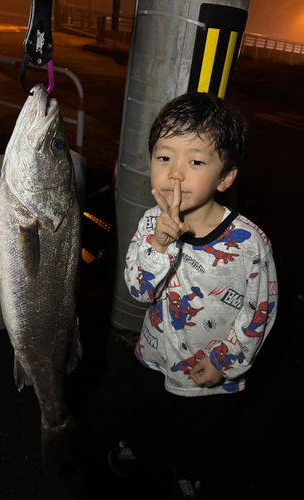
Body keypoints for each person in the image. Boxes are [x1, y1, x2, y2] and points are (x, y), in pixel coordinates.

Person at [108, 92, 278, 498]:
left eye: (196, 161)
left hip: (214, 372)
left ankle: (191, 469)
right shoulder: (152, 222)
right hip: (154, 353)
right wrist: (159, 244)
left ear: (226, 177)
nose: (176, 174)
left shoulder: (250, 243)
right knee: (145, 413)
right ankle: (137, 445)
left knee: (205, 431)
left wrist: (225, 361)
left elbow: (261, 310)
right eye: (164, 157)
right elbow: (137, 288)